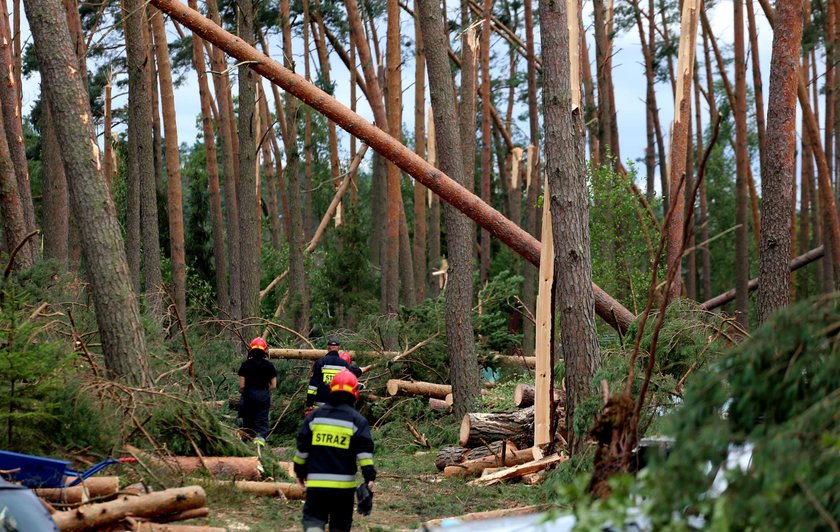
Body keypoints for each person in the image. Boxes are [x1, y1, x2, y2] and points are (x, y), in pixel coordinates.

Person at [294, 369, 375, 532]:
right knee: (340, 525)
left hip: (316, 485)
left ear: (331, 389)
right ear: (354, 392)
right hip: (343, 489)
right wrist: (369, 477)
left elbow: (302, 448)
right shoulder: (357, 420)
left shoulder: (314, 417)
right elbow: (365, 453)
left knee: (313, 520)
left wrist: (299, 471)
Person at [237, 337, 277, 446]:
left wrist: (248, 391)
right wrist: (263, 391)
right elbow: (273, 385)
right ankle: (259, 444)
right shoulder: (269, 366)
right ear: (265, 351)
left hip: (248, 394)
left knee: (247, 419)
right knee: (262, 421)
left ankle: (245, 443)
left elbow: (242, 386)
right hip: (263, 395)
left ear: (251, 350)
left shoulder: (245, 365)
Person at [305, 338, 352, 415]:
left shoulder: (320, 362)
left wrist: (309, 403)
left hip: (320, 405)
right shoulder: (344, 364)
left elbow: (313, 386)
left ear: (327, 348)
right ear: (339, 348)